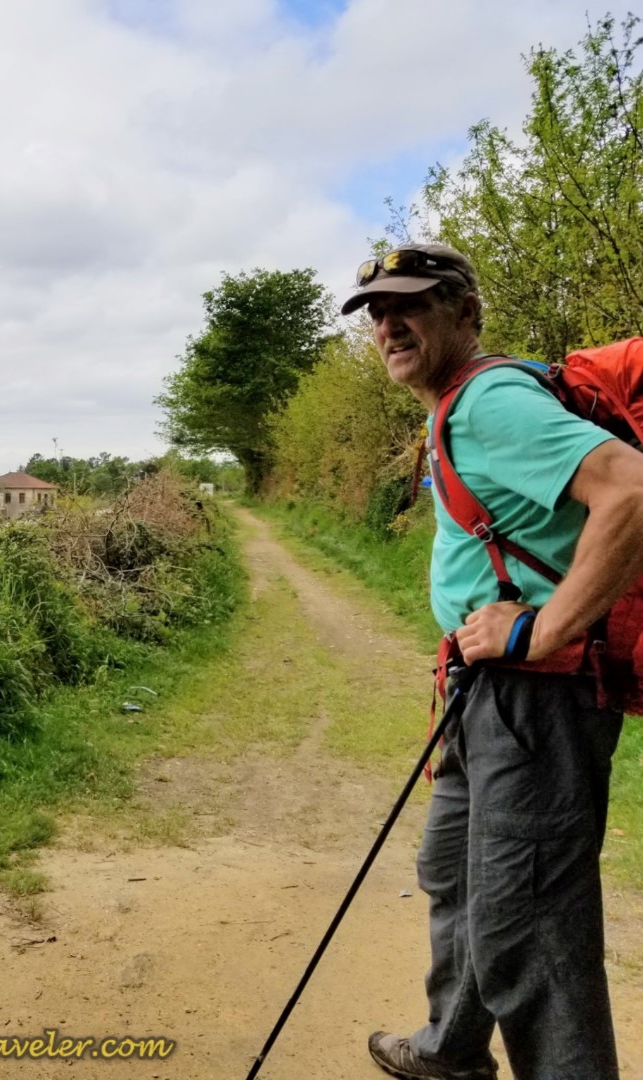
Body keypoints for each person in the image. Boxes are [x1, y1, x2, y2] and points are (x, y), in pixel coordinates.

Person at [340, 243, 643, 1080]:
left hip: (536, 701)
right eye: (375, 312)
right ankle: (450, 1048)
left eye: (413, 305)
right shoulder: (458, 405)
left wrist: (543, 630)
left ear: (466, 312)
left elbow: (630, 486)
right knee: (455, 873)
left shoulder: (487, 403)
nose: (388, 324)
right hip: (487, 694)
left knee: (532, 927)